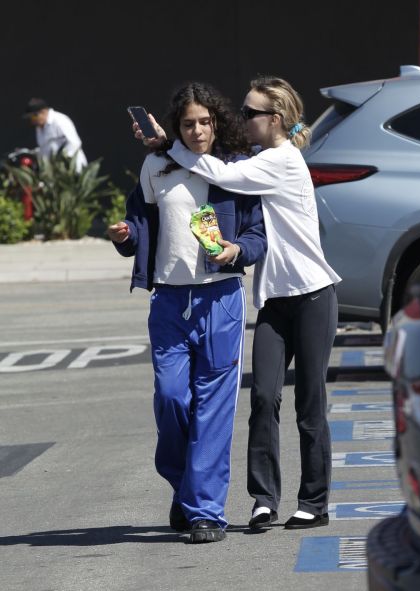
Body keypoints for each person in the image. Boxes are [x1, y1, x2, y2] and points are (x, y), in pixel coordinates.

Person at [139, 76, 341, 530]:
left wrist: (167, 143)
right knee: (263, 397)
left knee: (309, 404)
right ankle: (264, 498)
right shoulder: (259, 157)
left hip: (312, 295)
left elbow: (221, 173)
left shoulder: (283, 161)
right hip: (274, 299)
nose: (243, 119)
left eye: (251, 113)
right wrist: (165, 145)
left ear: (275, 120)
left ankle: (314, 502)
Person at [109, 82, 266, 544]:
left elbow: (257, 235)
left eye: (205, 122)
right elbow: (142, 225)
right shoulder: (157, 165)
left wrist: (237, 250)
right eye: (188, 124)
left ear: (217, 123)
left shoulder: (233, 170)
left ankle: (205, 513)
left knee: (214, 409)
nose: (197, 131)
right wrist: (126, 239)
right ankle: (185, 488)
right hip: (170, 302)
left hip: (220, 299)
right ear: (176, 128)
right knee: (172, 398)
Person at [23, 97, 88, 172]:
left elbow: (75, 143)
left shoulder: (60, 120)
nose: (32, 121)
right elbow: (45, 148)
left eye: (33, 117)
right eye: (30, 118)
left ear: (43, 112)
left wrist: (62, 161)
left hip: (73, 169)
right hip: (55, 173)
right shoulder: (39, 128)